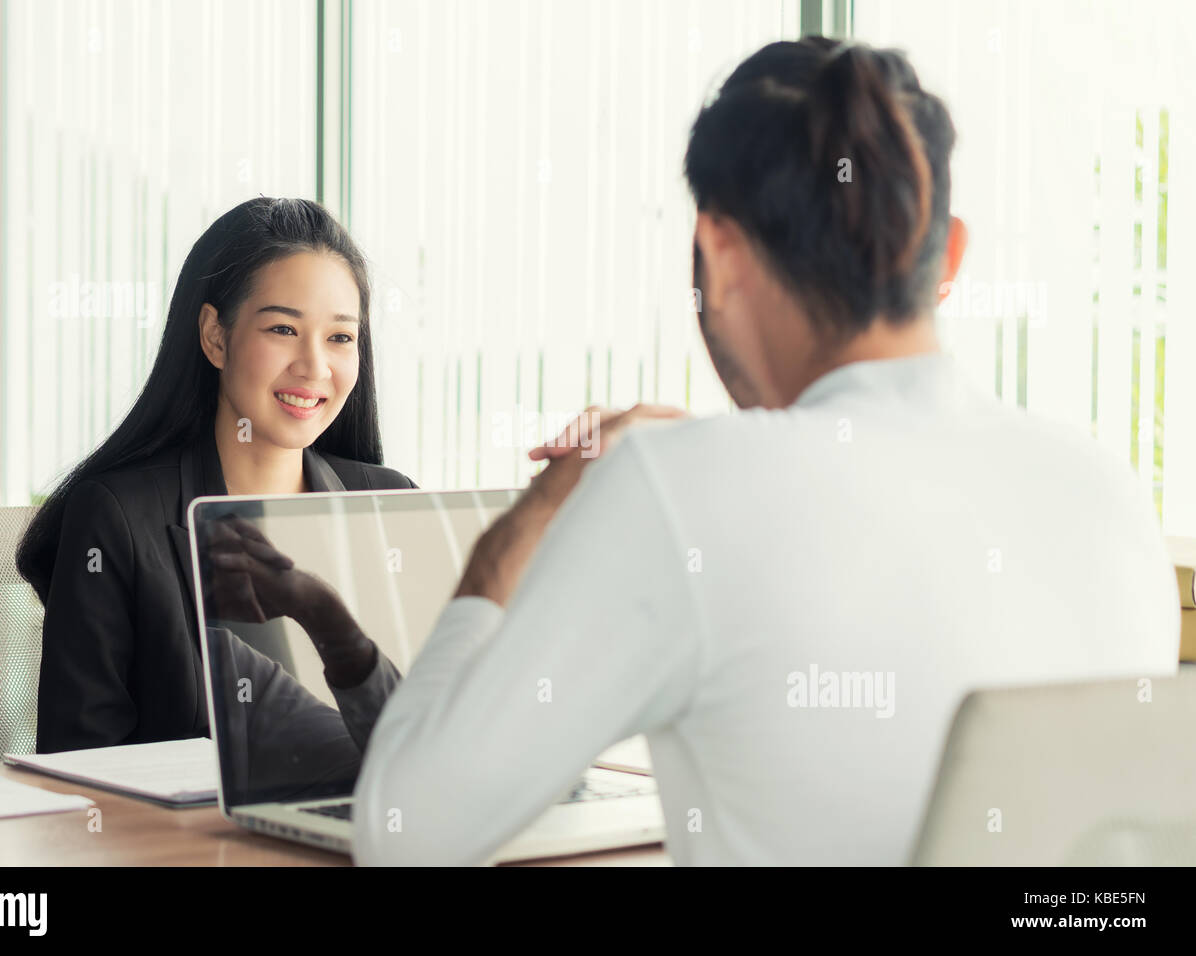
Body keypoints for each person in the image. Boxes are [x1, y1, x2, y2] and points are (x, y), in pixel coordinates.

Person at [350, 37, 1180, 865]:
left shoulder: (677, 489)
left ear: (719, 252)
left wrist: (526, 523)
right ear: (950, 255)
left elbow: (404, 832)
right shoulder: (1106, 490)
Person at [16, 197, 414, 754]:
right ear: (216, 337)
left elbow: (427, 732)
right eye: (282, 328)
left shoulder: (391, 502)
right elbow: (80, 767)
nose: (314, 366)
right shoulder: (118, 516)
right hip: (182, 841)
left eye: (340, 337)